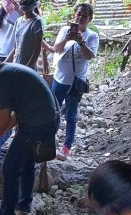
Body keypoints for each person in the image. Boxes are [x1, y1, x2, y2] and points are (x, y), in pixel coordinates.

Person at [0, 45, 59, 215]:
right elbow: (15, 115)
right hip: (47, 118)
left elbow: (4, 117)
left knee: (10, 167)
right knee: (27, 161)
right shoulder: (9, 70)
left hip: (37, 123)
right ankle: (24, 203)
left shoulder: (1, 80)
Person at [51, 2, 99, 161]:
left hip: (76, 82)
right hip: (60, 79)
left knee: (71, 115)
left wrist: (80, 41)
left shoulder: (92, 36)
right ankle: (48, 141)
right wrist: (67, 38)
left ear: (90, 19)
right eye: (78, 14)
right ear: (74, 15)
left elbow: (90, 56)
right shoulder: (65, 30)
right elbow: (56, 49)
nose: (81, 18)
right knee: (53, 112)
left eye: (85, 16)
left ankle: (66, 147)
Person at [5, 0, 44, 70]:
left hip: (28, 68)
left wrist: (25, 70)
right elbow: (15, 49)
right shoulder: (18, 21)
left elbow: (36, 51)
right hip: (16, 65)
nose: (23, 2)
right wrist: (3, 64)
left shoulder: (37, 22)